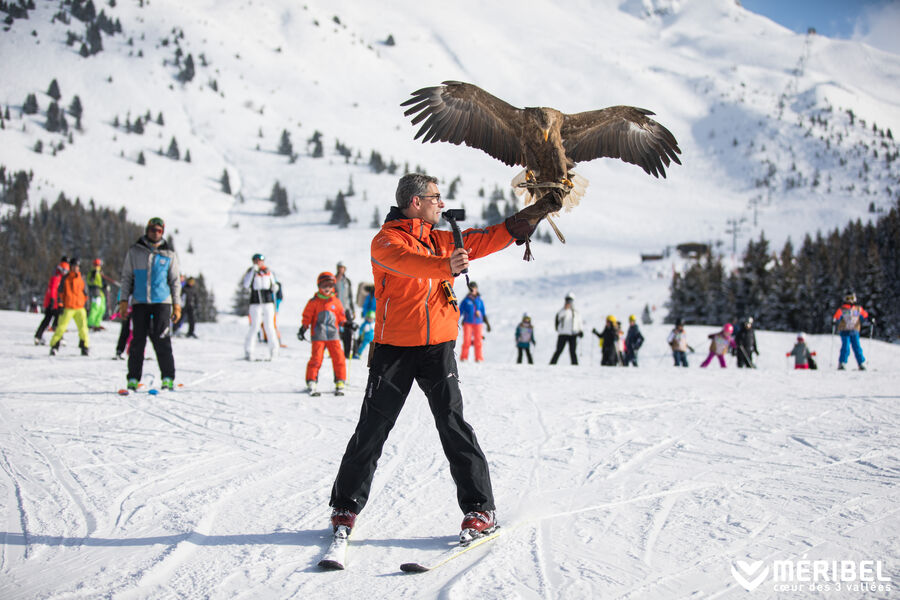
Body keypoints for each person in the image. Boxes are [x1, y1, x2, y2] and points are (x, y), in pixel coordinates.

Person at [327, 172, 542, 545]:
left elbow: (479, 239)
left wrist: (519, 224)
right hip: (394, 348)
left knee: (453, 425)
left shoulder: (440, 239)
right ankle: (345, 505)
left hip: (437, 348)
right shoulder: (386, 241)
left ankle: (480, 509)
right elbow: (408, 263)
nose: (441, 204)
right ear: (415, 202)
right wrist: (447, 266)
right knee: (372, 429)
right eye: (435, 198)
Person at [118, 217, 181, 392]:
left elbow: (175, 281)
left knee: (162, 340)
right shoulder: (135, 251)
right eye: (153, 230)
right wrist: (123, 300)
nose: (155, 233)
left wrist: (177, 305)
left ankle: (168, 377)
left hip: (162, 302)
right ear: (147, 230)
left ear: (163, 232)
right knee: (137, 341)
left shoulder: (169, 254)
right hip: (140, 302)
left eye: (159, 231)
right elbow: (126, 277)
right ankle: (133, 378)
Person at [299, 272, 347, 394]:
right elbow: (307, 316)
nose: (327, 288)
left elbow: (341, 317)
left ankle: (340, 381)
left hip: (333, 335)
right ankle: (311, 380)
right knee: (316, 358)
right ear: (319, 286)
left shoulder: (336, 301)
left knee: (339, 358)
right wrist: (303, 328)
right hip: (318, 335)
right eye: (324, 286)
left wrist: (347, 324)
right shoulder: (314, 301)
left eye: (330, 286)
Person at [49, 258, 90, 356]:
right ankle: (54, 346)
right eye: (74, 266)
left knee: (83, 329)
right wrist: (60, 305)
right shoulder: (65, 278)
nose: (76, 268)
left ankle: (84, 346)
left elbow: (86, 293)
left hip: (80, 307)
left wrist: (87, 305)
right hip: (68, 307)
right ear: (71, 267)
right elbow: (60, 293)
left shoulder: (82, 278)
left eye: (77, 266)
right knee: (61, 328)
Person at [242, 254, 279, 360]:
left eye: (260, 260)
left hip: (268, 302)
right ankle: (249, 351)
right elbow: (246, 284)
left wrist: (275, 287)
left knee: (269, 326)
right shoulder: (251, 271)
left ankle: (274, 350)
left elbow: (274, 284)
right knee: (255, 326)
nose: (258, 262)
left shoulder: (268, 272)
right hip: (255, 302)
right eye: (256, 260)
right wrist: (253, 272)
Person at [34, 258, 69, 345]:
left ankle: (38, 336)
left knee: (47, 320)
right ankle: (59, 338)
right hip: (54, 303)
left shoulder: (56, 275)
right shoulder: (57, 277)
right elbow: (53, 289)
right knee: (57, 321)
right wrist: (53, 300)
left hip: (51, 302)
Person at [832, 292, 870, 370]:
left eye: (851, 298)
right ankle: (842, 363)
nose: (850, 301)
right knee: (846, 347)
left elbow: (865, 315)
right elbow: (836, 316)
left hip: (854, 330)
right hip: (844, 330)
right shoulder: (842, 309)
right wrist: (834, 320)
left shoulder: (858, 309)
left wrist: (870, 319)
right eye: (848, 299)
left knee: (857, 347)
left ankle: (861, 363)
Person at [459, 281, 490, 362]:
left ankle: (479, 358)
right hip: (468, 323)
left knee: (478, 341)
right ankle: (464, 357)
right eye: (471, 288)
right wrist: (456, 320)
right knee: (467, 340)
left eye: (474, 288)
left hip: (478, 323)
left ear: (476, 289)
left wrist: (487, 323)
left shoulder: (480, 301)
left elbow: (483, 312)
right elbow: (460, 311)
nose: (473, 290)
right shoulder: (466, 300)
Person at [550, 293, 583, 365]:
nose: (568, 302)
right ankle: (552, 364)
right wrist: (565, 309)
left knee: (573, 351)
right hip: (563, 333)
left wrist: (580, 330)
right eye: (567, 300)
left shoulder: (576, 312)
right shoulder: (561, 311)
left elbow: (579, 322)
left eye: (570, 301)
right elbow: (558, 320)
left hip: (573, 333)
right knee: (559, 350)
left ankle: (575, 365)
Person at [334, 261, 356, 359]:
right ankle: (332, 351)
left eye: (342, 267)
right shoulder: (333, 280)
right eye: (339, 267)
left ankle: (348, 352)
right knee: (335, 330)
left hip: (346, 309)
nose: (340, 269)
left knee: (349, 330)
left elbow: (350, 296)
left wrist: (352, 309)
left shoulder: (347, 281)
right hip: (336, 309)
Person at [86, 258, 109, 331]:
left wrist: (105, 285)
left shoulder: (100, 272)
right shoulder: (92, 272)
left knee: (102, 309)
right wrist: (93, 278)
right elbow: (89, 281)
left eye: (98, 265)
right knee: (95, 308)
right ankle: (90, 323)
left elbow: (102, 281)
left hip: (101, 293)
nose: (97, 266)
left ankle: (97, 324)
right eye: (96, 265)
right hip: (95, 292)